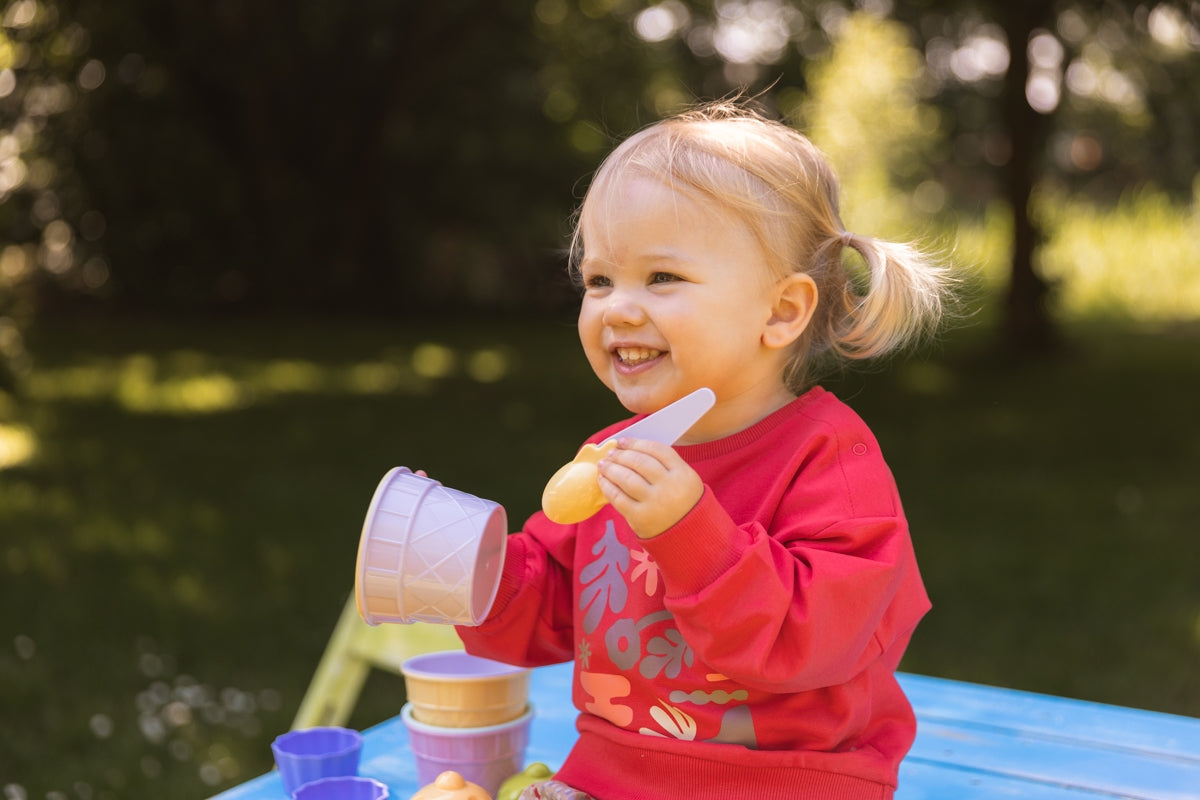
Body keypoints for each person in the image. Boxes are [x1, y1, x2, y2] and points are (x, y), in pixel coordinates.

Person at [455, 99, 954, 800]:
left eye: (661, 277)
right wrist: (470, 570)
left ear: (781, 311)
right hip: (616, 773)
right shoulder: (611, 455)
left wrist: (688, 530)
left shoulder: (829, 460)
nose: (617, 307)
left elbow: (809, 644)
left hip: (783, 782)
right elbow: (551, 610)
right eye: (600, 280)